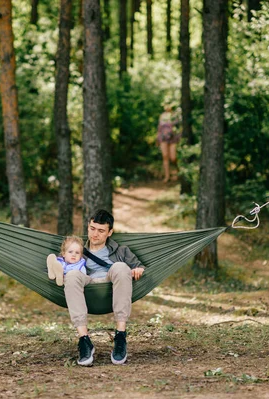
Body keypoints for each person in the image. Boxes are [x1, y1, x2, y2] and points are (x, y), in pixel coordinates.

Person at [64, 209, 145, 366]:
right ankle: (84, 340)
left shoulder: (121, 250)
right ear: (88, 226)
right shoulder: (77, 249)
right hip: (87, 284)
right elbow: (61, 263)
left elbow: (138, 266)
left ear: (110, 232)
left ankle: (120, 336)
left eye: (101, 231)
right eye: (92, 228)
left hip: (110, 282)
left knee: (121, 266)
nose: (95, 234)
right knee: (72, 275)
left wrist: (138, 269)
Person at [157, 103, 181, 182]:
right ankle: (167, 176)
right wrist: (158, 139)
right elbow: (159, 128)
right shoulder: (162, 116)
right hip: (163, 138)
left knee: (173, 158)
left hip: (173, 138)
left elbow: (179, 128)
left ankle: (179, 172)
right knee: (165, 156)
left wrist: (179, 137)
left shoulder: (175, 116)